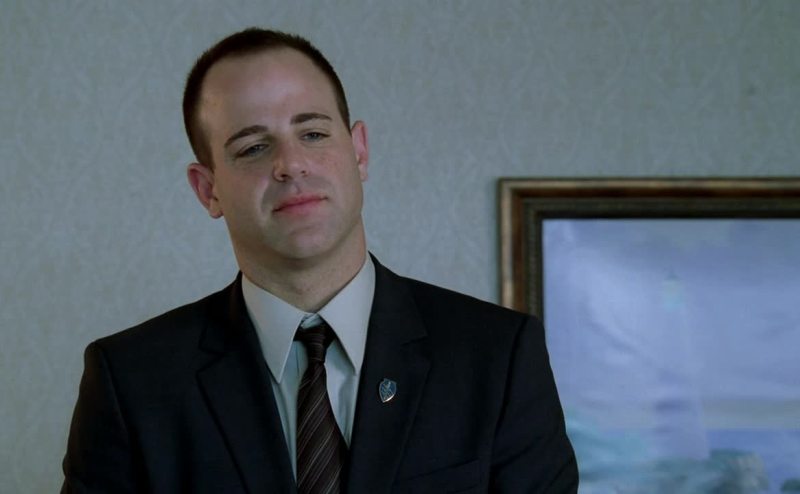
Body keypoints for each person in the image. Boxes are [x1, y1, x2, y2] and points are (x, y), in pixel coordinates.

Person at [62, 28, 578, 493]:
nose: (290, 164)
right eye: (253, 147)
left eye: (312, 133)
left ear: (359, 152)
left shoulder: (497, 356)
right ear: (208, 189)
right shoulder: (131, 381)